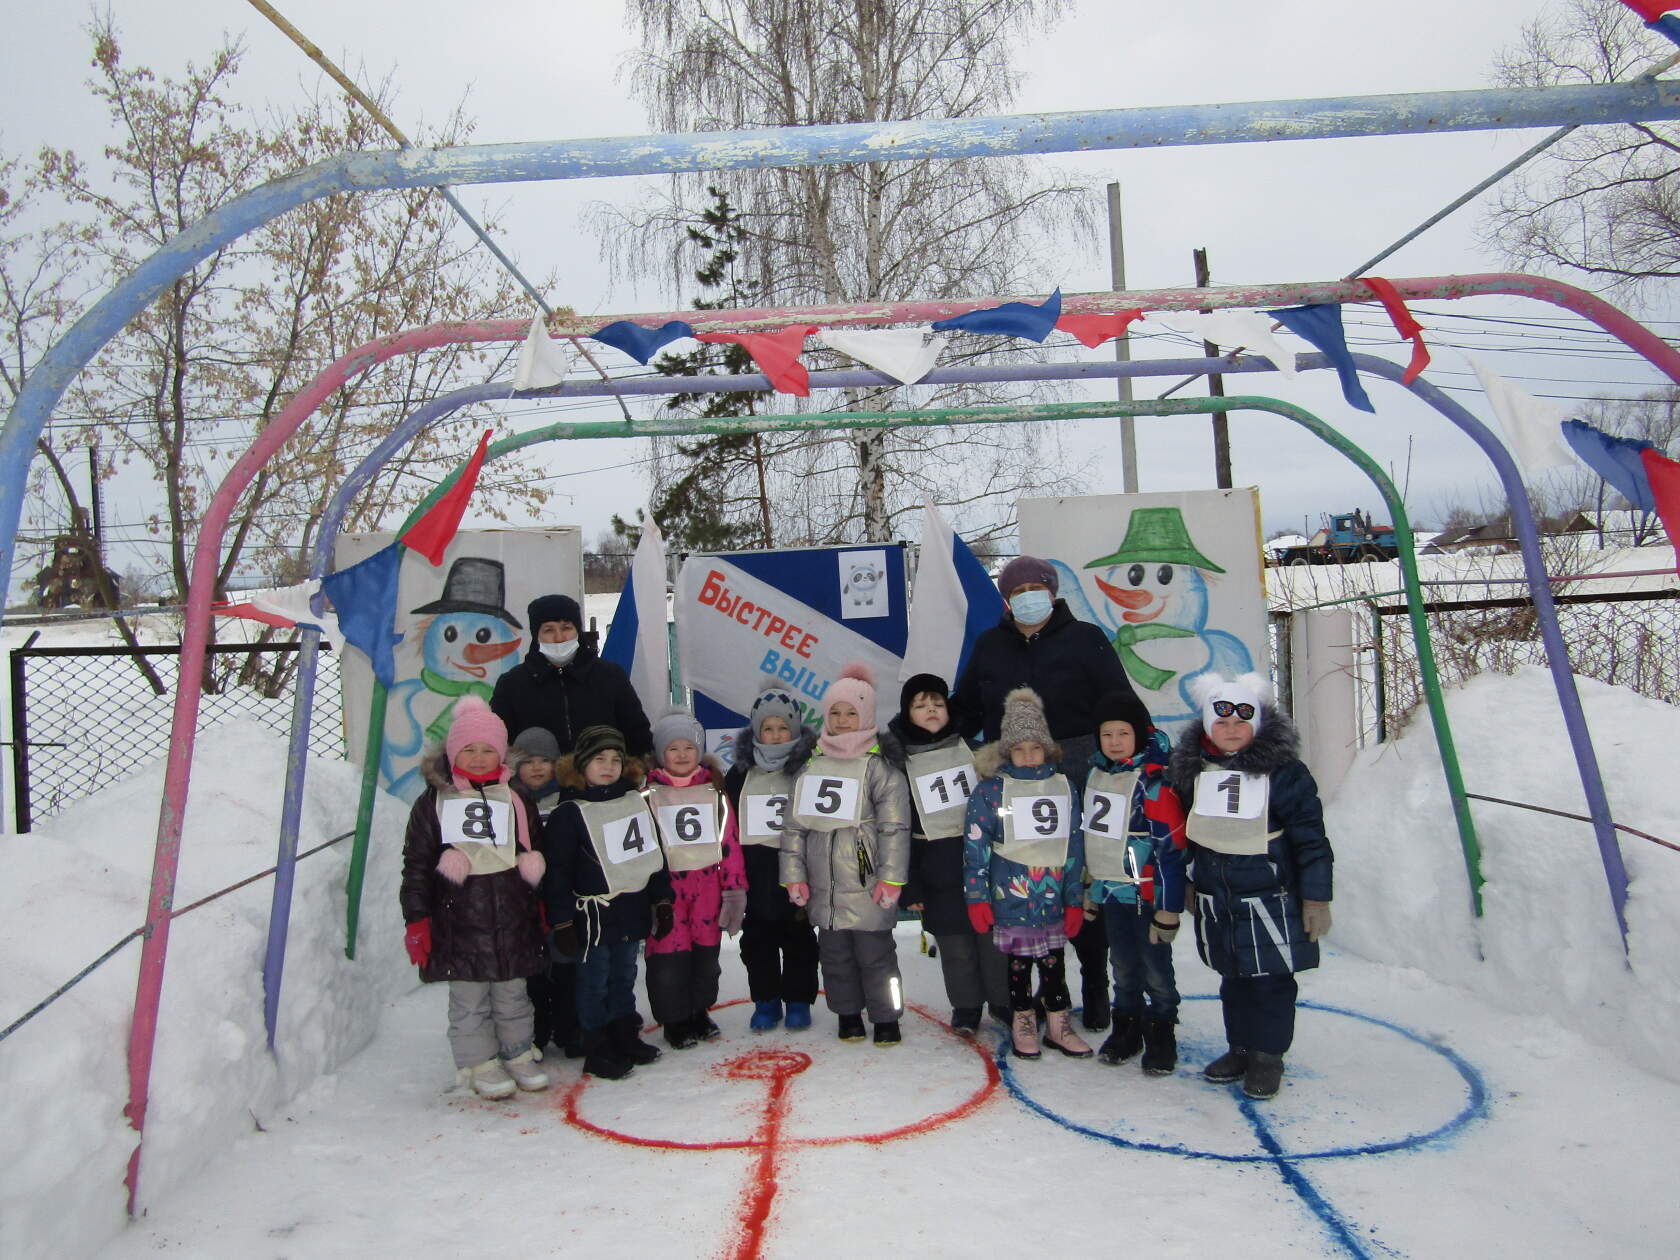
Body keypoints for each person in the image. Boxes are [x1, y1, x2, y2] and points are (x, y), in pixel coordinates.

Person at [952, 554, 1141, 1031]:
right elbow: (966, 709)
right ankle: (1029, 992)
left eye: (1036, 587)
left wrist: (1142, 747)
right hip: (1013, 779)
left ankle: (1095, 989)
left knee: (1075, 882)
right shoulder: (990, 644)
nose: (1028, 596)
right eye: (1017, 591)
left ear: (1053, 592)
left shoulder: (1086, 639)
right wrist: (917, 734)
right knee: (1022, 880)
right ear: (1006, 599)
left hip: (1073, 771)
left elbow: (1119, 703)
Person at [1169, 673, 1333, 1101]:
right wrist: (1187, 881)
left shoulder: (1285, 774)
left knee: (1271, 980)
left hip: (1269, 894)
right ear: (1207, 726)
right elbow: (1184, 832)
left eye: (1241, 722)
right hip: (1216, 893)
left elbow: (1311, 837)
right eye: (1221, 723)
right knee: (1233, 976)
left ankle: (1268, 1055)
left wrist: (1316, 896)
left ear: (1257, 725)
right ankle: (1239, 1047)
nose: (1231, 730)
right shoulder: (1192, 772)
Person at [399, 697, 551, 1099]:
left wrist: (541, 904)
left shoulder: (516, 797)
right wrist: (417, 918)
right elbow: (416, 864)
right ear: (453, 752)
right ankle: (477, 1062)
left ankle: (517, 1052)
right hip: (459, 920)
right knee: (470, 997)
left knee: (512, 992)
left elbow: (534, 846)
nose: (480, 757)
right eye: (469, 749)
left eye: (488, 749)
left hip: (512, 915)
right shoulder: (433, 803)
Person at [781, 663, 911, 1045]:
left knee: (877, 959)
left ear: (867, 715)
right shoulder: (811, 764)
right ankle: (847, 1013)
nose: (841, 720)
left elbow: (895, 828)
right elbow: (793, 828)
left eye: (850, 713)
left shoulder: (880, 768)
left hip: (869, 884)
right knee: (835, 959)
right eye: (834, 712)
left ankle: (887, 1017)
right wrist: (794, 875)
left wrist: (892, 877)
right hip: (825, 888)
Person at [963, 687, 1091, 1062]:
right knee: (1018, 968)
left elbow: (1073, 847)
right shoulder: (991, 791)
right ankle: (1023, 1021)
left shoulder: (1064, 787)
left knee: (1054, 964)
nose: (1029, 756)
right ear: (1007, 752)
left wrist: (1073, 899)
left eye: (1036, 747)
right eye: (1020, 749)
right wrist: (976, 896)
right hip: (1010, 896)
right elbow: (975, 848)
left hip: (1052, 896)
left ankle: (1058, 1023)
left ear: (1047, 748)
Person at [540, 724, 674, 1081]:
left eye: (615, 759)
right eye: (599, 759)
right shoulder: (568, 812)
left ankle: (623, 1034)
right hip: (593, 915)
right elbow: (558, 872)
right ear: (582, 764)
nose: (608, 766)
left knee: (624, 976)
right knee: (593, 981)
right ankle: (595, 1045)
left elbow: (653, 853)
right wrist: (562, 921)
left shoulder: (634, 801)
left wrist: (661, 899)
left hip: (630, 908)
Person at [880, 673, 1009, 1036]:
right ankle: (966, 1006)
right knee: (955, 946)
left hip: (986, 864)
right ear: (907, 714)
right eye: (920, 705)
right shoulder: (898, 763)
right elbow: (899, 829)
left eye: (937, 703)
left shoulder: (977, 750)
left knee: (993, 941)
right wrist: (912, 885)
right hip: (937, 870)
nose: (931, 710)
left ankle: (1003, 1001)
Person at [1082, 690, 1187, 1073]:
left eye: (1122, 734)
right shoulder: (1095, 776)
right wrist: (1090, 889)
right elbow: (1093, 838)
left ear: (1138, 736)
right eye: (1107, 734)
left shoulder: (1153, 783)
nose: (1114, 742)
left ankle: (1162, 1029)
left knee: (1156, 967)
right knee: (1123, 964)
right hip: (1111, 891)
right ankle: (1127, 1026)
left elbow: (1171, 847)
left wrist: (1169, 908)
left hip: (1147, 893)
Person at [643, 710, 748, 1048]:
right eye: (673, 749)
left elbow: (729, 841)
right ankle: (674, 1019)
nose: (682, 755)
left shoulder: (714, 793)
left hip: (707, 890)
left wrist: (734, 890)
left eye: (689, 747)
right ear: (661, 754)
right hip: (667, 892)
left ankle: (698, 1010)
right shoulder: (646, 795)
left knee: (705, 957)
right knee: (668, 959)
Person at [723, 688, 820, 1033]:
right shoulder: (739, 773)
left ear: (794, 729)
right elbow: (728, 826)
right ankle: (765, 1001)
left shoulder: (809, 767)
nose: (776, 735)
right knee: (758, 944)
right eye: (768, 728)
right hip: (756, 873)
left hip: (796, 873)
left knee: (800, 942)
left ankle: (798, 1000)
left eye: (783, 727)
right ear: (756, 732)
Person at [491, 593, 653, 758]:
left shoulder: (610, 676)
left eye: (566, 628)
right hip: (539, 781)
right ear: (536, 635)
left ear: (578, 630)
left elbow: (637, 735)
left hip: (605, 779)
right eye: (548, 630)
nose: (559, 638)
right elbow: (498, 742)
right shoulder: (512, 684)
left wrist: (635, 772)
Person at [508, 726, 579, 1060]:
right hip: (524, 902)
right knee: (533, 972)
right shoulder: (506, 801)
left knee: (566, 965)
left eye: (545, 761)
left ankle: (569, 1026)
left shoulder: (567, 799)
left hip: (563, 897)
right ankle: (537, 1029)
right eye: (529, 761)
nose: (537, 768)